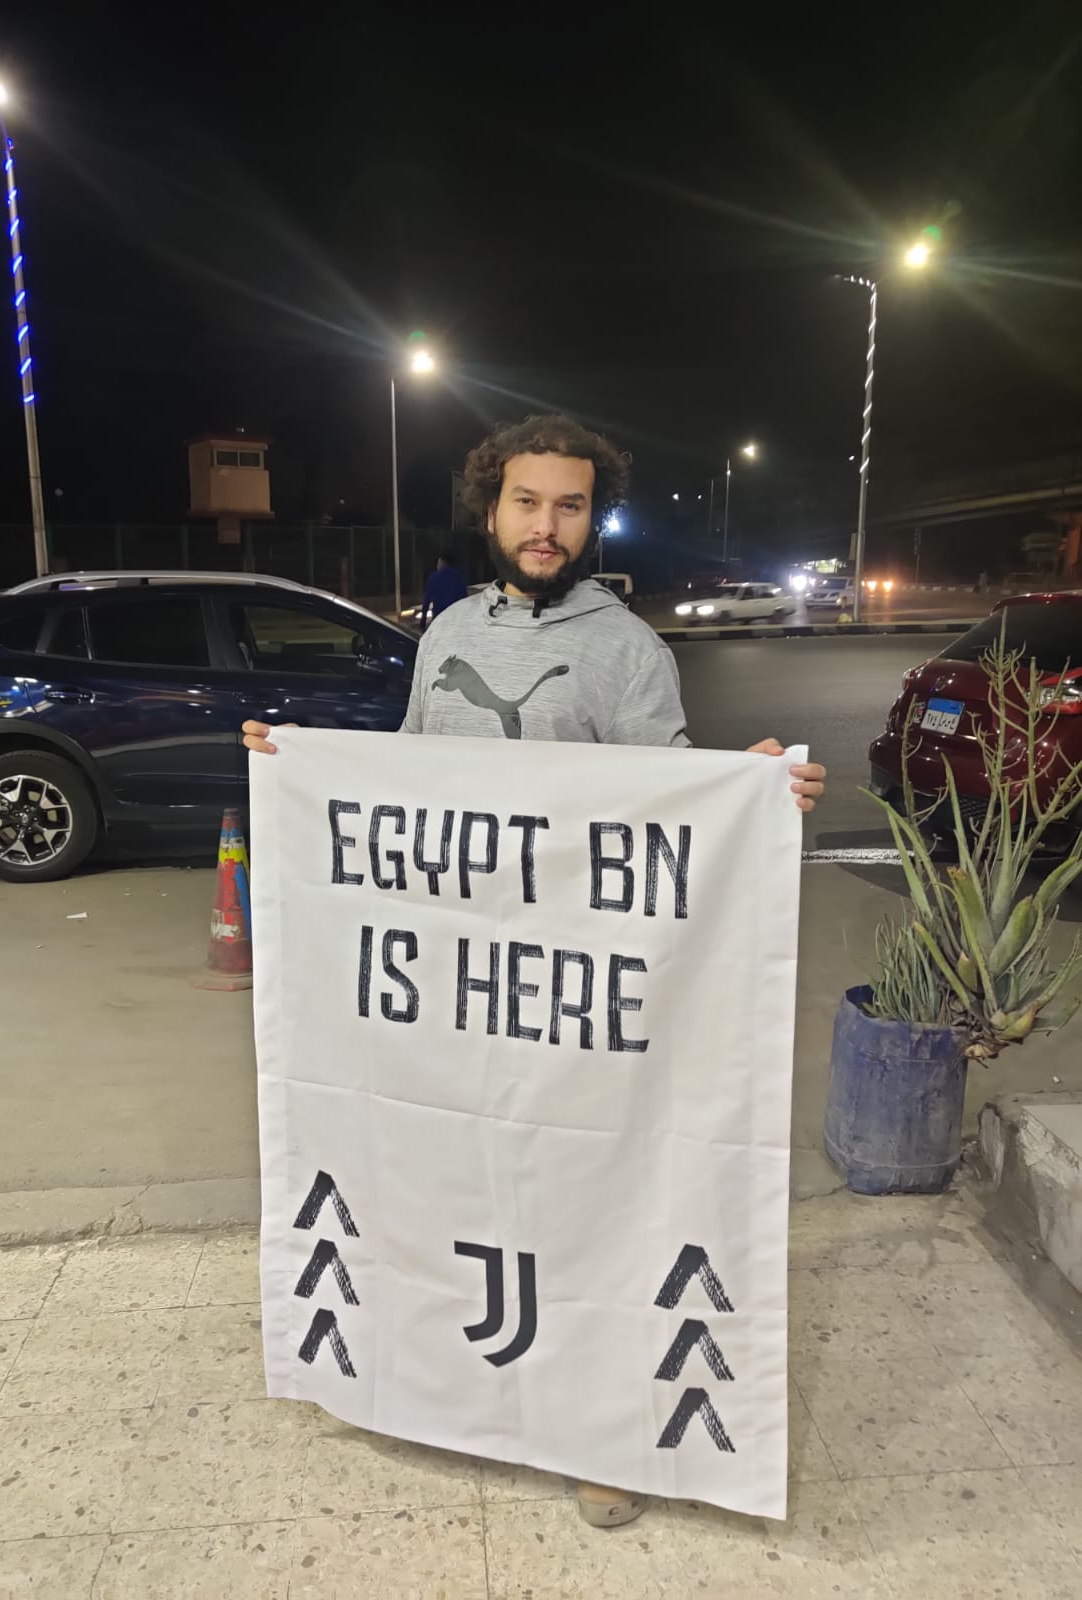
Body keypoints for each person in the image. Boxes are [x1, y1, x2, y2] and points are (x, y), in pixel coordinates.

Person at [243, 413, 826, 1528]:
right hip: (457, 992)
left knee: (584, 1204)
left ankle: (606, 1441)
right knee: (454, 1182)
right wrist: (298, 766)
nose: (546, 525)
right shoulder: (450, 631)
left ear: (592, 517)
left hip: (573, 998)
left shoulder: (628, 648)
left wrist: (751, 790)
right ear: (491, 507)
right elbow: (408, 782)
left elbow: (665, 797)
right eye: (526, 502)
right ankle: (439, 1389)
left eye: (569, 505)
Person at [420, 549, 469, 629]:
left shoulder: (434, 578)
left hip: (439, 619)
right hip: (456, 619)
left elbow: (427, 600)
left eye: (438, 562)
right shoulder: (459, 577)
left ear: (442, 562)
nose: (437, 565)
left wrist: (423, 620)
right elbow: (465, 598)